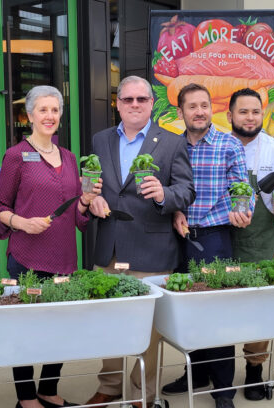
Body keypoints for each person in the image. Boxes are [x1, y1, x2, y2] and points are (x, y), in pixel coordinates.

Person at [85, 75, 195, 408]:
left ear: (152, 103)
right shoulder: (100, 140)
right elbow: (92, 183)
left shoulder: (173, 142)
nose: (134, 105)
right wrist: (90, 198)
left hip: (152, 250)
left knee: (149, 330)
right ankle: (111, 384)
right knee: (108, 324)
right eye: (128, 99)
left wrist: (165, 194)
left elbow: (186, 191)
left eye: (141, 99)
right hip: (109, 248)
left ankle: (142, 391)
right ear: (118, 104)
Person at [0, 85, 101, 408]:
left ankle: (48, 389)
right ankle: (26, 398)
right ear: (29, 115)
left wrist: (85, 203)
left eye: (55, 110)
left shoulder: (69, 158)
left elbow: (76, 216)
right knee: (26, 332)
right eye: (43, 110)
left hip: (65, 256)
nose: (50, 116)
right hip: (26, 256)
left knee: (61, 330)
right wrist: (22, 222)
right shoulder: (16, 156)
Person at [161, 83, 253, 408]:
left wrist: (243, 209)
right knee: (187, 312)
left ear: (211, 108)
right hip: (179, 239)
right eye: (192, 106)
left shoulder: (228, 143)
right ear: (180, 112)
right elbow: (169, 188)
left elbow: (241, 185)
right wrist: (174, 211)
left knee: (217, 314)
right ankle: (195, 374)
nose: (199, 111)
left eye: (204, 105)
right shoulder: (171, 145)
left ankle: (224, 391)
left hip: (214, 238)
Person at [227, 88, 274, 401]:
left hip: (263, 240)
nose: (250, 117)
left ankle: (254, 371)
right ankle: (206, 370)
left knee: (258, 310)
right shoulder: (217, 145)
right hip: (222, 238)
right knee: (216, 306)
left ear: (263, 114)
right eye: (243, 112)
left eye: (255, 112)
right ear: (230, 115)